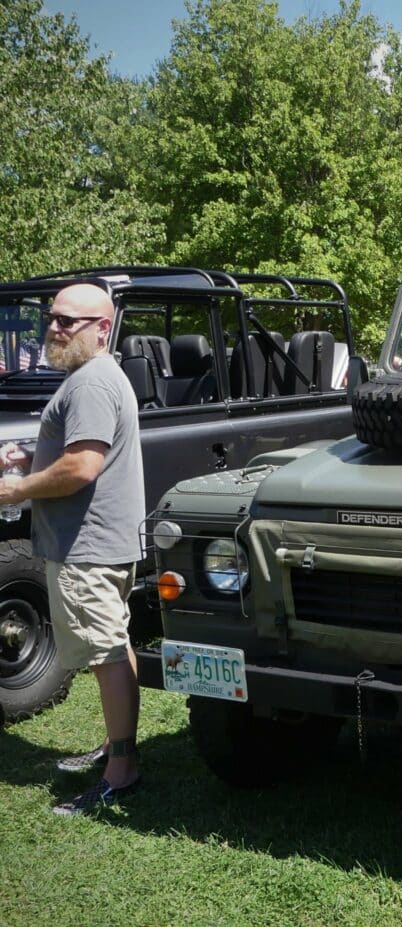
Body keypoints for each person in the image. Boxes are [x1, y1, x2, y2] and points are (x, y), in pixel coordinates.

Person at [0, 283, 145, 816]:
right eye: (53, 318)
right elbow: (76, 451)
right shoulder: (95, 378)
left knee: (105, 654)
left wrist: (18, 488)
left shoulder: (90, 383)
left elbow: (84, 467)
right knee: (116, 643)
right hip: (105, 541)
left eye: (69, 321)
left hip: (87, 546)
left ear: (102, 328)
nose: (55, 328)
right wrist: (30, 455)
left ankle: (121, 771)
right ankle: (118, 746)